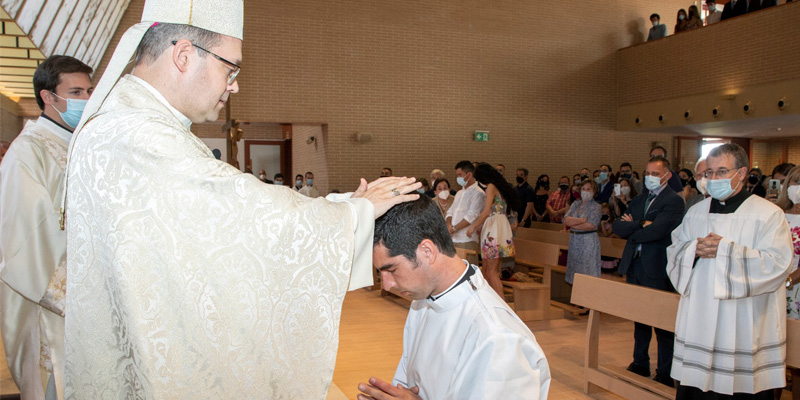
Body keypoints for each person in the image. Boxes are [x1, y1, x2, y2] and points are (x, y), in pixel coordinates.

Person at [61, 2, 422, 397]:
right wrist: (354, 213)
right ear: (183, 55)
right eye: (230, 68)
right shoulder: (135, 133)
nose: (234, 85)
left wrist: (344, 205)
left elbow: (218, 216)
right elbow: (236, 212)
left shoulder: (135, 121)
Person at [360, 197, 550, 399]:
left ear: (427, 251)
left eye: (391, 270)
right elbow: (409, 386)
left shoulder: (498, 338)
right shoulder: (423, 301)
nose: (387, 284)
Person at [0, 55, 93, 400]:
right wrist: (79, 293)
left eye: (89, 90)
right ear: (48, 97)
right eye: (76, 91)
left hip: (91, 295)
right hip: (54, 305)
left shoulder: (80, 145)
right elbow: (26, 235)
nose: (85, 99)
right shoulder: (28, 150)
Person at [666, 144, 793, 399]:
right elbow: (674, 250)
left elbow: (779, 263)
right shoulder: (696, 212)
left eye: (722, 171)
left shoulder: (768, 214)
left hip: (744, 321)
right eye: (709, 173)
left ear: (742, 172)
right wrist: (694, 249)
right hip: (700, 317)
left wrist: (726, 250)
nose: (713, 179)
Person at [613, 156, 685, 388]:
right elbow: (618, 227)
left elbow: (659, 231)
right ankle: (640, 362)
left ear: (667, 176)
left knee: (661, 321)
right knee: (640, 316)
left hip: (657, 266)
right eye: (648, 173)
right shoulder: (641, 198)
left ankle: (665, 370)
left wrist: (636, 227)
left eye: (655, 173)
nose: (649, 177)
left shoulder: (673, 201)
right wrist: (640, 225)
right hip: (635, 264)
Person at [466, 163, 520, 297]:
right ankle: (490, 300)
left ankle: (502, 307)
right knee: (486, 270)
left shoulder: (491, 187)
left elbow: (485, 212)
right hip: (497, 225)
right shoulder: (498, 186)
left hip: (494, 227)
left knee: (491, 271)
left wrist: (473, 226)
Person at [563, 179, 602, 284]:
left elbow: (591, 225)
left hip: (588, 240)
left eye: (589, 189)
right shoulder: (576, 204)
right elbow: (566, 220)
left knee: (587, 270)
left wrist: (573, 224)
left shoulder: (596, 207)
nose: (586, 191)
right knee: (575, 268)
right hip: (574, 240)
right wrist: (581, 220)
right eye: (584, 189)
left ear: (594, 192)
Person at [446, 160, 485, 261]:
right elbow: (450, 211)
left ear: (469, 174)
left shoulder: (478, 193)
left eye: (460, 175)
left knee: (469, 270)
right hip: (453, 238)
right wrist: (449, 225)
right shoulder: (459, 193)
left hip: (467, 239)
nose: (458, 178)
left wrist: (454, 228)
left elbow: (472, 216)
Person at [777, 166, 800, 320]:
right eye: (796, 181)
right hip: (771, 285)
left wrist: (787, 282)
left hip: (793, 287)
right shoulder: (775, 213)